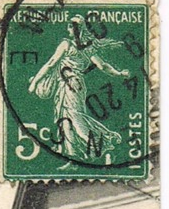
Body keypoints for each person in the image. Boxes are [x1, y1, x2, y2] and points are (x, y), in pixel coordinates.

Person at [28, 17, 130, 164]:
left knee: (75, 117)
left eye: (70, 27)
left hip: (70, 84)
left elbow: (51, 64)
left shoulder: (66, 44)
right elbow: (103, 66)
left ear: (76, 29)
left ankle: (102, 142)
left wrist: (35, 82)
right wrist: (119, 73)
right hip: (73, 84)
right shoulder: (88, 48)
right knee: (64, 118)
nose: (68, 29)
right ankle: (72, 156)